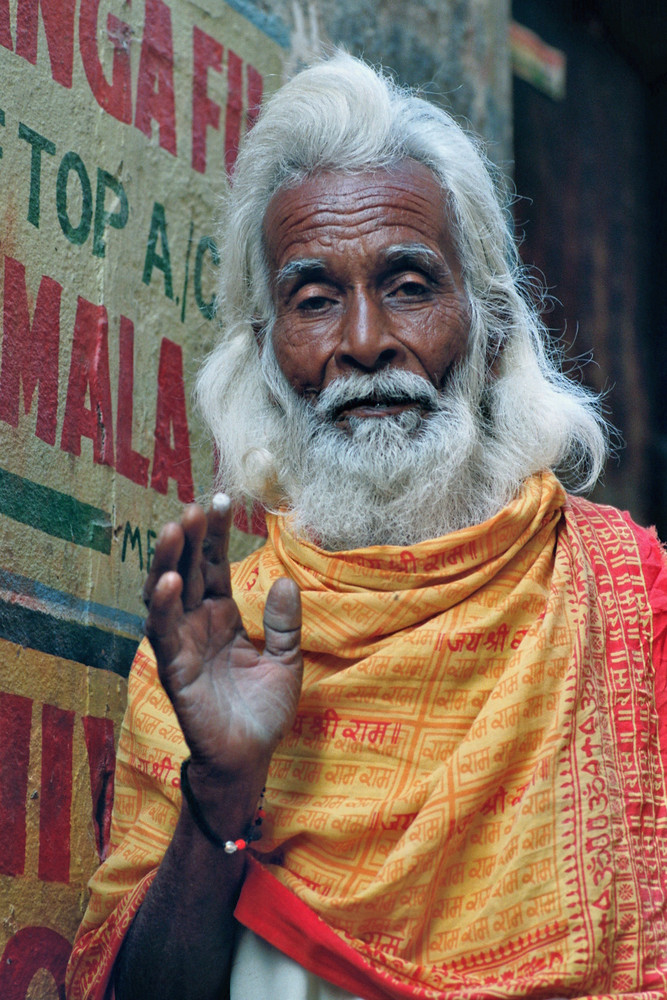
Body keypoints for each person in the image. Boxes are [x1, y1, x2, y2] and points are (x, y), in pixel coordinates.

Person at [66, 53, 667, 1000]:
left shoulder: (630, 605)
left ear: (492, 327)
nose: (361, 341)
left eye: (410, 284)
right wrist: (221, 793)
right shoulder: (218, 643)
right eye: (313, 300)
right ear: (265, 358)